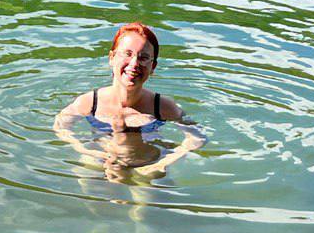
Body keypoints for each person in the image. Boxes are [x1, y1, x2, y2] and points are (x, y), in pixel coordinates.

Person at [53, 22, 204, 180]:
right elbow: (60, 125)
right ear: (111, 58)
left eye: (143, 57)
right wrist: (85, 150)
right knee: (88, 177)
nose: (134, 64)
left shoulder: (163, 106)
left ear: (153, 66)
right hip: (101, 158)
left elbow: (198, 137)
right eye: (127, 54)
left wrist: (164, 161)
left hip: (148, 162)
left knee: (153, 193)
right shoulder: (90, 102)